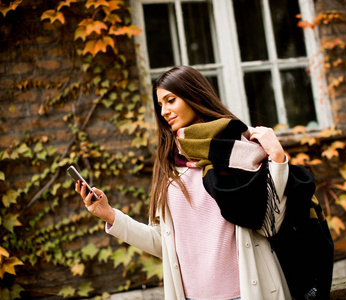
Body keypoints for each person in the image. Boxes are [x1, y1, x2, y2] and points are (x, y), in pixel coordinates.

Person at [76, 66, 330, 300]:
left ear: (194, 97)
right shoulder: (169, 166)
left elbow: (270, 222)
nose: (164, 111)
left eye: (171, 100)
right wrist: (110, 216)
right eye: (160, 104)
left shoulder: (239, 150)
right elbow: (164, 242)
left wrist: (278, 159)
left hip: (248, 292)